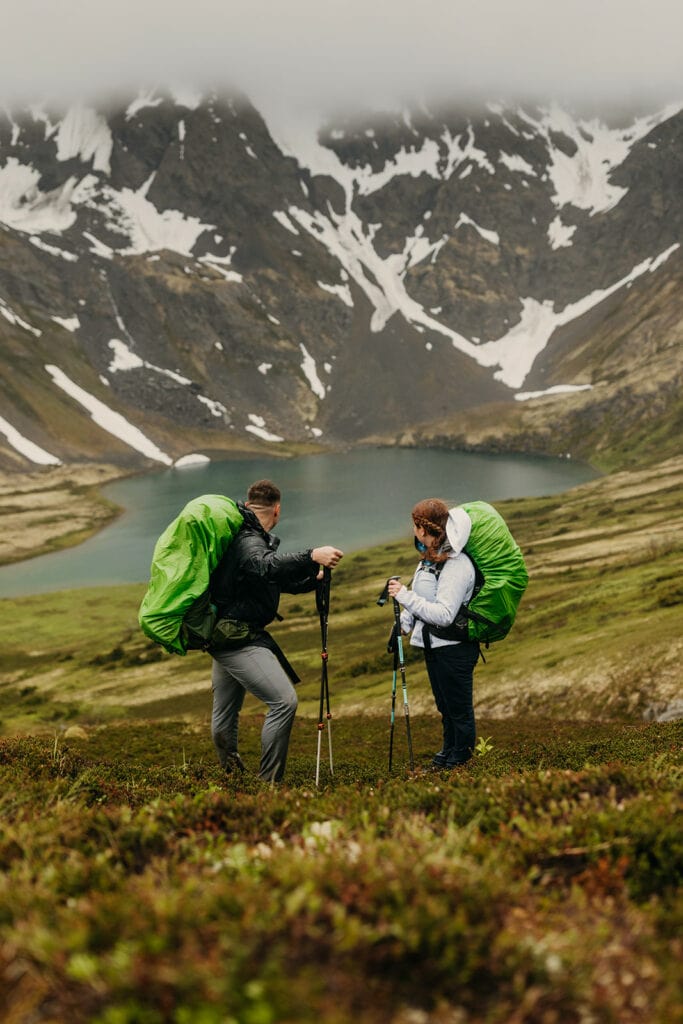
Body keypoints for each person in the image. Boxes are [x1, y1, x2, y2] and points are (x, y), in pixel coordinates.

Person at [208, 479, 343, 782]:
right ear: (277, 510)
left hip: (223, 635)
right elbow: (265, 566)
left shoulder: (243, 536)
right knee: (284, 702)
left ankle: (233, 778)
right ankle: (267, 785)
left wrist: (311, 581)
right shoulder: (249, 540)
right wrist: (311, 555)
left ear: (248, 504)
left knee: (224, 715)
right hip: (239, 638)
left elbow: (268, 580)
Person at [387, 498, 480, 769]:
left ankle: (461, 759)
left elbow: (444, 614)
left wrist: (403, 596)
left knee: (459, 709)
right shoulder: (428, 559)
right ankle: (449, 750)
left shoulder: (457, 564)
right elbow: (421, 597)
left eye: (415, 525)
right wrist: (403, 626)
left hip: (455, 648)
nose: (413, 530)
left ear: (422, 529)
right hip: (434, 646)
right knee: (445, 706)